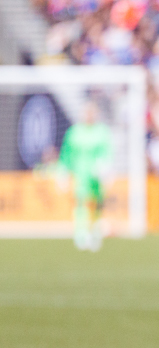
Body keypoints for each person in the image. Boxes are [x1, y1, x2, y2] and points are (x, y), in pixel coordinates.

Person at [59, 101, 113, 251]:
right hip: (81, 173)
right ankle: (81, 233)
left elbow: (107, 152)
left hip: (96, 175)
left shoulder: (102, 131)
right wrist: (63, 171)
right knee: (81, 202)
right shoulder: (74, 132)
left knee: (97, 203)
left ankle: (95, 231)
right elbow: (67, 154)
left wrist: (105, 168)